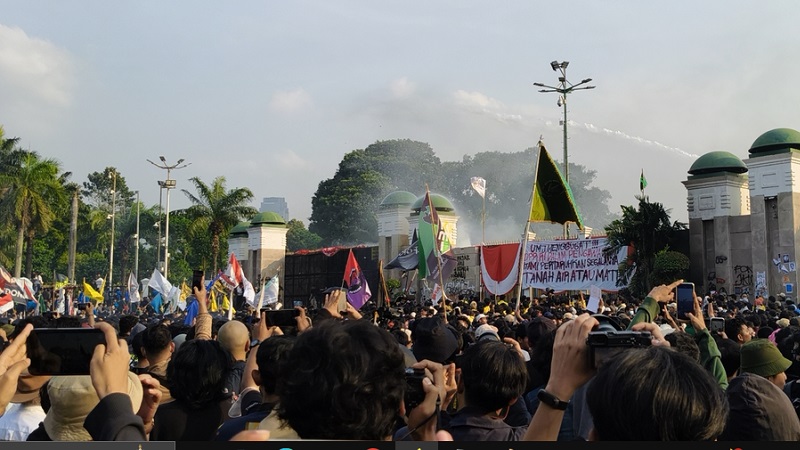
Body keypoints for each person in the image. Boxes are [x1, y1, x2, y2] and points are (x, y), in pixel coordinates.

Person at [443, 339, 528, 440]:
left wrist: (443, 405)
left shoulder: (434, 433)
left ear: (460, 382)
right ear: (513, 399)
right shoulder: (521, 438)